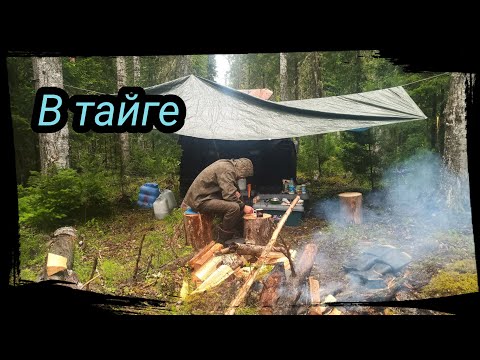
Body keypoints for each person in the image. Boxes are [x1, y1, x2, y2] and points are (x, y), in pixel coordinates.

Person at [183, 158, 255, 243]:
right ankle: (222, 239)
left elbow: (230, 190)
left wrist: (239, 197)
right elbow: (229, 195)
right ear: (241, 170)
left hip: (208, 196)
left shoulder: (229, 166)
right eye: (243, 176)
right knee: (234, 207)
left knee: (238, 201)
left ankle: (237, 232)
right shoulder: (226, 170)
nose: (242, 178)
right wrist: (243, 207)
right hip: (200, 200)